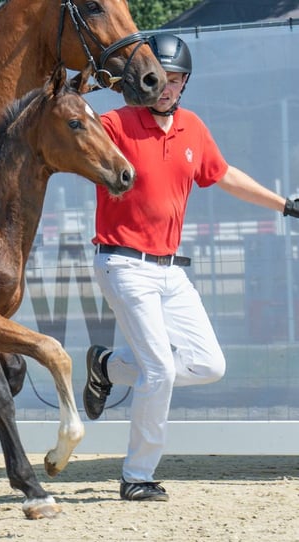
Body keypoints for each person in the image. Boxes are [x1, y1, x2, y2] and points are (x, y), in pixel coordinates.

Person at [83, 33, 299, 502]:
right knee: (159, 369)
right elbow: (72, 131)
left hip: (170, 270)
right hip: (122, 261)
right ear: (143, 80)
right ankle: (137, 475)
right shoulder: (116, 124)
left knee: (208, 364)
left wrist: (284, 204)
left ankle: (106, 366)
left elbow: (225, 176)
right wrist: (78, 87)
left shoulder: (193, 129)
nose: (167, 87)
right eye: (159, 79)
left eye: (176, 80)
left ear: (184, 84)